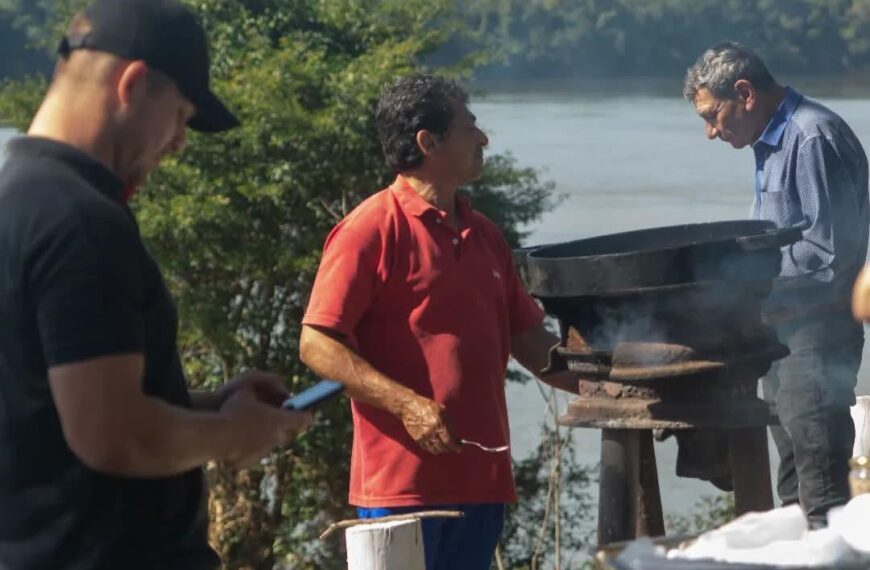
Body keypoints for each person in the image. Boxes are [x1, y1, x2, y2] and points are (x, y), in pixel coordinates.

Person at [0, 1, 311, 568]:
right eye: (181, 115)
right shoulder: (80, 221)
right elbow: (112, 434)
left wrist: (210, 406)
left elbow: (46, 409)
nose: (179, 143)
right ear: (134, 84)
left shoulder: (18, 198)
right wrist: (230, 436)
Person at [298, 74, 577, 569]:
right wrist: (407, 405)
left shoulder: (484, 233)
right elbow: (317, 343)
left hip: (484, 483)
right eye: (470, 127)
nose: (483, 138)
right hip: (401, 491)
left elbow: (531, 342)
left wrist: (609, 383)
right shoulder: (369, 230)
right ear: (428, 142)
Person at [684, 41, 869, 526]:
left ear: (744, 93)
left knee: (821, 483)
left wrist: (742, 287)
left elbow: (826, 259)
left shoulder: (810, 137)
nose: (709, 132)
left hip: (816, 337)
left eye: (712, 115)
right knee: (793, 484)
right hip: (781, 336)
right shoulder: (770, 141)